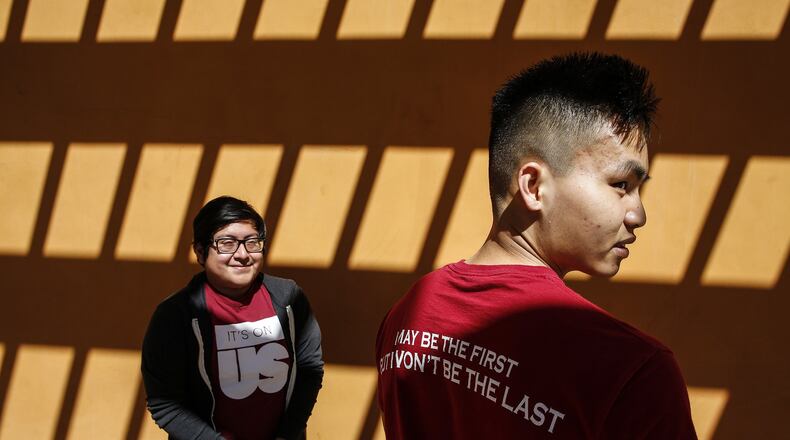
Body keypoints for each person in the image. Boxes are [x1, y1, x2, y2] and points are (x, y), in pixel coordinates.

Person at [375, 53, 697, 439]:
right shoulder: (633, 371)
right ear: (533, 186)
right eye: (621, 185)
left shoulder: (406, 316)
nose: (637, 214)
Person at [142, 196, 323, 440]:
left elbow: (309, 370)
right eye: (227, 243)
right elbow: (165, 404)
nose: (243, 254)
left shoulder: (289, 297)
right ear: (200, 252)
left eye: (252, 242)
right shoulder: (175, 316)